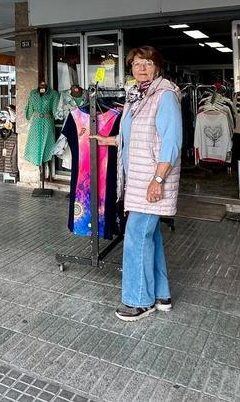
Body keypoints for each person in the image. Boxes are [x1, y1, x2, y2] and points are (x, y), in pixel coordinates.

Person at [92, 46, 182, 322]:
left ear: (157, 67)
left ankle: (139, 300)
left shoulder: (164, 96)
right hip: (137, 179)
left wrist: (158, 179)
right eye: (136, 64)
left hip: (152, 181)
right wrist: (111, 140)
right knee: (148, 236)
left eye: (147, 63)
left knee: (135, 237)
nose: (141, 68)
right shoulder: (136, 96)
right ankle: (161, 294)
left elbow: (171, 142)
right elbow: (139, 137)